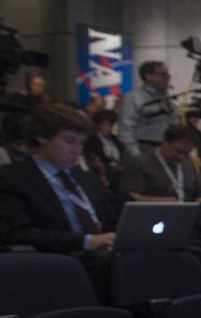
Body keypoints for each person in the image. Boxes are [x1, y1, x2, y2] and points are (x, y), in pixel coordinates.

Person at [0, 102, 116, 254]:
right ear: (42, 137)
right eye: (69, 141)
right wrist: (86, 242)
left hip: (107, 253)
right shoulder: (12, 178)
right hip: (59, 258)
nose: (77, 151)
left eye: (81, 143)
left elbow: (112, 220)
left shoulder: (87, 178)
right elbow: (15, 232)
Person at [119, 123, 201, 203]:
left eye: (186, 154)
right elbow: (130, 197)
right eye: (178, 151)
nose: (181, 157)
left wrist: (199, 202)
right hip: (152, 213)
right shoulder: (140, 163)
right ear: (165, 142)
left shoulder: (188, 165)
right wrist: (162, 202)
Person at [118, 60, 179, 156]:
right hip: (143, 147)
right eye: (163, 75)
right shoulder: (133, 97)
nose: (168, 78)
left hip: (165, 148)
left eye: (168, 75)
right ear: (148, 76)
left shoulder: (166, 100)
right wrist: (136, 154)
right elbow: (126, 129)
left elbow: (175, 124)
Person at [83, 109, 125, 193]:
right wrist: (114, 165)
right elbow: (93, 158)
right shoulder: (91, 140)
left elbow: (122, 156)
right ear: (98, 124)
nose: (108, 128)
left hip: (118, 170)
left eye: (110, 125)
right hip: (104, 171)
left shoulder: (115, 140)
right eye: (105, 124)